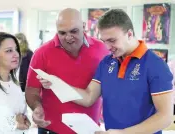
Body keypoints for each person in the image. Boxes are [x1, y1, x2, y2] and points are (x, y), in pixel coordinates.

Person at [38, 9, 174, 134]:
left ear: (129, 34)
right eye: (104, 41)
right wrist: (56, 83)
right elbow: (88, 97)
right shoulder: (107, 62)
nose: (107, 47)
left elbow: (165, 117)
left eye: (112, 40)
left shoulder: (156, 65)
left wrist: (123, 133)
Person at [25, 8, 109, 134]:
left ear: (84, 26)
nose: (68, 37)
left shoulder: (102, 49)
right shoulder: (42, 53)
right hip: (51, 129)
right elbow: (31, 90)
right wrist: (37, 107)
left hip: (90, 130)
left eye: (74, 31)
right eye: (62, 33)